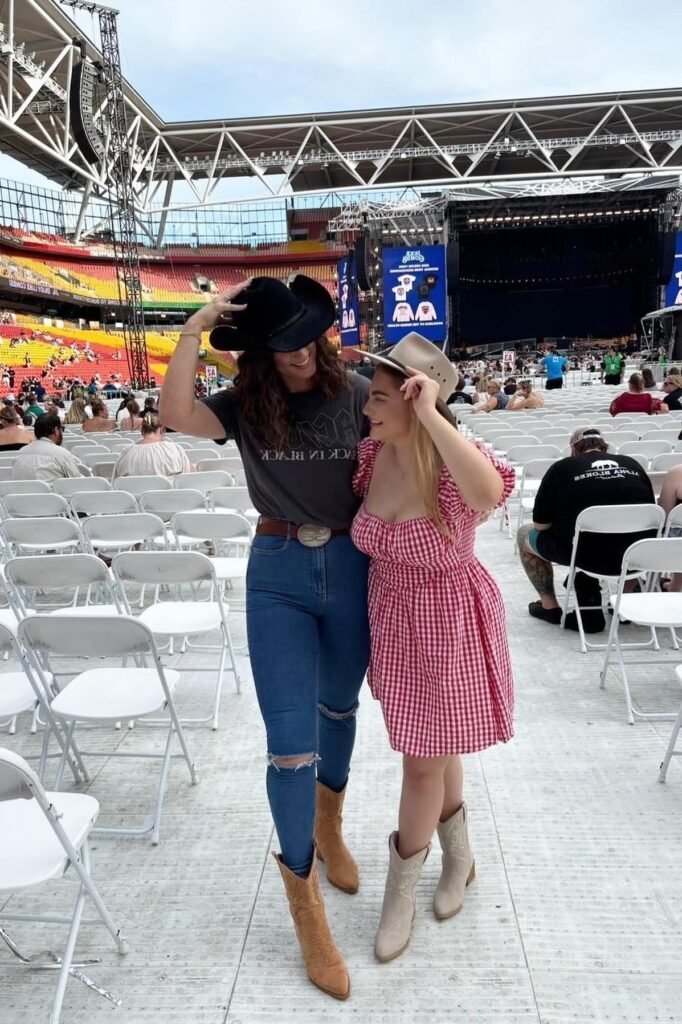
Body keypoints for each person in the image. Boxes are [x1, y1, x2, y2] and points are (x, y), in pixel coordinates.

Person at [159, 275, 370, 1001]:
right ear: (259, 351)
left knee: (340, 709)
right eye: (283, 343)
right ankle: (306, 908)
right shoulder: (244, 405)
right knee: (289, 747)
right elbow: (174, 412)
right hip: (277, 569)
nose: (301, 353)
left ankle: (331, 825)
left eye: (307, 335)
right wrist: (194, 325)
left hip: (352, 565)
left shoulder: (360, 391)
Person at [350, 333, 515, 962]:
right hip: (392, 624)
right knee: (435, 749)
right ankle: (460, 856)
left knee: (421, 761)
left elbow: (490, 494)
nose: (369, 405)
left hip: (448, 624)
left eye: (383, 396)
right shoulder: (372, 454)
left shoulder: (448, 465)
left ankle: (401, 894)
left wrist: (431, 416)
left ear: (419, 399)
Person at [517, 427, 656, 633]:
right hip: (636, 556)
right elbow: (650, 516)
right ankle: (626, 595)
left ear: (574, 449)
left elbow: (540, 525)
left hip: (584, 555)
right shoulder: (632, 464)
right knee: (630, 533)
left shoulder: (561, 468)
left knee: (524, 534)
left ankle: (549, 606)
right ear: (604, 447)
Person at [112, 413, 192, 480]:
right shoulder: (175, 450)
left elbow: (116, 482)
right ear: (162, 429)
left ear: (142, 431)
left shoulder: (126, 453)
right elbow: (187, 478)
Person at [12, 413, 89, 481]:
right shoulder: (62, 454)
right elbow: (76, 482)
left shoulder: (20, 453)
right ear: (56, 430)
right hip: (55, 496)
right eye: (62, 429)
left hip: (24, 496)